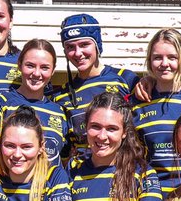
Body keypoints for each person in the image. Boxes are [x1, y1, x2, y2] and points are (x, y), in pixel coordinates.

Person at [132, 28, 181, 194]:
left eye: (172, 57)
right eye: (157, 57)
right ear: (149, 61)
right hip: (152, 194)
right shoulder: (138, 102)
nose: (164, 63)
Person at [56, 13, 138, 158]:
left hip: (122, 170)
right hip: (82, 176)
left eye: (84, 45)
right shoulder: (62, 95)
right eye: (70, 47)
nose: (77, 53)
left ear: (97, 44)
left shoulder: (126, 79)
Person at [0, 40, 68, 168]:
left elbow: (63, 161)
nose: (36, 73)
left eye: (44, 67)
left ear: (53, 70)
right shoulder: (0, 104)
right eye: (30, 65)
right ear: (19, 65)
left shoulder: (59, 112)